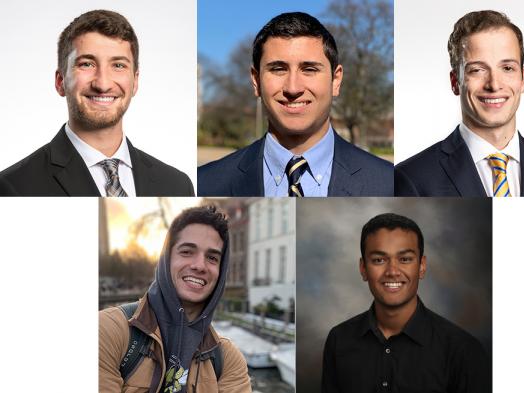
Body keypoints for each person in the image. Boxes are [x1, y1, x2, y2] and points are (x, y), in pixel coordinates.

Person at [197, 12, 393, 197]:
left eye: (309, 69)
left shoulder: (389, 182)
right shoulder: (205, 183)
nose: (293, 88)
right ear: (256, 81)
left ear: (336, 81)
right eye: (278, 69)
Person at [0, 10, 194, 196]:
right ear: (60, 82)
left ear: (135, 82)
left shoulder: (177, 185)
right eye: (86, 64)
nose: (103, 84)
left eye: (118, 65)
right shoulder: (13, 187)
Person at [394, 10, 524, 197]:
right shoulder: (410, 179)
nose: (494, 84)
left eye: (507, 68)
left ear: (523, 78)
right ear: (455, 82)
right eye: (477, 70)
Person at [322, 213, 491, 393]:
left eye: (405, 259)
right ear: (363, 269)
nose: (392, 271)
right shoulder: (339, 340)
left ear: (422, 266)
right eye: (379, 260)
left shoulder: (463, 351)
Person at [99, 206, 251, 392]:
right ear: (166, 258)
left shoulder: (228, 360)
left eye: (212, 258)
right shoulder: (109, 330)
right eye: (187, 251)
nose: (199, 266)